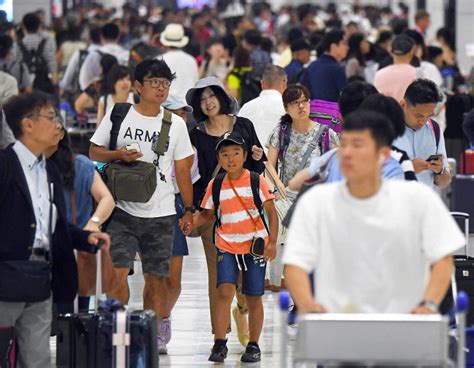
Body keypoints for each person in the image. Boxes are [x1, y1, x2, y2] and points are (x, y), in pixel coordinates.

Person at [283, 109, 464, 315]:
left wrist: (429, 304)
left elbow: (443, 257)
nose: (347, 153)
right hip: (337, 325)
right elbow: (295, 262)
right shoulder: (316, 203)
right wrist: (307, 305)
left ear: (383, 154)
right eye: (344, 144)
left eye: (358, 145)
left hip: (402, 324)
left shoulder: (419, 199)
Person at [89, 59, 195, 353]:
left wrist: (189, 209)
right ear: (138, 86)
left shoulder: (175, 124)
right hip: (121, 209)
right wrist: (118, 154)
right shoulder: (119, 114)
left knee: (157, 279)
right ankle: (120, 327)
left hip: (162, 212)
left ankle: (149, 334)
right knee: (117, 274)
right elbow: (94, 150)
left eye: (166, 83)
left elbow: (183, 170)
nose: (161, 88)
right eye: (154, 82)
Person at [0, 92, 110, 367]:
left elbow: (56, 226)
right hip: (5, 277)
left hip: (40, 279)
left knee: (38, 360)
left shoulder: (47, 171)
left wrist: (85, 237)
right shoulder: (4, 166)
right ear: (27, 124)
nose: (58, 124)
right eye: (50, 117)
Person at [186, 76, 265, 348]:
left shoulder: (244, 125)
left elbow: (260, 168)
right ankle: (219, 335)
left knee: (246, 273)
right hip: (214, 213)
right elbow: (195, 176)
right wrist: (196, 209)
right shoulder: (195, 134)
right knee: (217, 275)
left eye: (211, 96)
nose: (208, 103)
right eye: (202, 99)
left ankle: (243, 310)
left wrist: (257, 157)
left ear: (222, 96)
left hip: (247, 213)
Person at [192, 131, 278, 363]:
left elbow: (271, 213)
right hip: (226, 245)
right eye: (225, 155)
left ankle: (253, 344)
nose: (231, 159)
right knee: (225, 291)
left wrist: (271, 242)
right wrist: (191, 221)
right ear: (219, 158)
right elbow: (207, 213)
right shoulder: (216, 184)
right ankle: (220, 343)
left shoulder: (256, 180)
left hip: (253, 247)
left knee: (253, 296)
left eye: (236, 153)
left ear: (244, 155)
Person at [266, 85, 339, 291]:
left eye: (305, 101)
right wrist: (279, 188)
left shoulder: (327, 134)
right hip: (288, 199)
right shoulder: (280, 132)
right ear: (286, 108)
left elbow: (338, 164)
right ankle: (295, 297)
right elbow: (269, 163)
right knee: (290, 250)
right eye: (295, 103)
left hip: (318, 201)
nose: (301, 106)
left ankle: (309, 297)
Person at [45, 127, 115, 312]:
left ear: (61, 134)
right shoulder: (24, 164)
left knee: (72, 325)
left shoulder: (79, 165)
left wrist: (94, 222)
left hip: (72, 253)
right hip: (43, 255)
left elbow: (107, 199)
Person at [159, 94, 200, 352]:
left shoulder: (189, 146)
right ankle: (154, 323)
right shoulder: (152, 138)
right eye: (176, 113)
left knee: (174, 279)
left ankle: (163, 317)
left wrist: (189, 210)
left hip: (175, 205)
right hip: (146, 207)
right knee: (154, 277)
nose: (182, 118)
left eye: (184, 114)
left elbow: (191, 179)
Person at [393, 79, 450, 189]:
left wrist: (440, 170)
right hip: (396, 202)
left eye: (428, 116)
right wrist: (407, 168)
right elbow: (375, 176)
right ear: (403, 104)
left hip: (426, 202)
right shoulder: (386, 129)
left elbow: (445, 182)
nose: (423, 121)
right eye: (418, 115)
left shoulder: (435, 129)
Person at [238, 65, 287, 151]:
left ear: (262, 83)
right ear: (285, 83)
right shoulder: (287, 107)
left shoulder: (246, 107)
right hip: (278, 161)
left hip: (251, 161)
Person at [299, 29, 348, 102]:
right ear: (333, 46)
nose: (347, 47)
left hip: (314, 111)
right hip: (334, 112)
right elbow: (345, 98)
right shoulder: (337, 69)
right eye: (344, 43)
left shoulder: (312, 66)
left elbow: (302, 89)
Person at [79, 22, 128, 92]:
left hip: (100, 97)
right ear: (118, 36)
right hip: (122, 96)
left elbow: (84, 80)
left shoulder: (94, 55)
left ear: (101, 36)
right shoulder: (126, 54)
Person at [374, 35, 419, 102]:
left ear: (391, 53)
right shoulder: (419, 73)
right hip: (409, 111)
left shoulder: (379, 74)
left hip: (385, 111)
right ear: (411, 52)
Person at [160, 23, 199, 100]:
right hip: (189, 106)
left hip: (166, 106)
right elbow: (195, 84)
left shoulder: (159, 60)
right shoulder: (191, 60)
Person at [15, 13, 57, 85]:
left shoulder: (17, 45)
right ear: (39, 26)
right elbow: (52, 64)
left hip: (24, 86)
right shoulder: (47, 42)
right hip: (43, 85)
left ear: (23, 26)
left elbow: (16, 66)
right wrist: (55, 84)